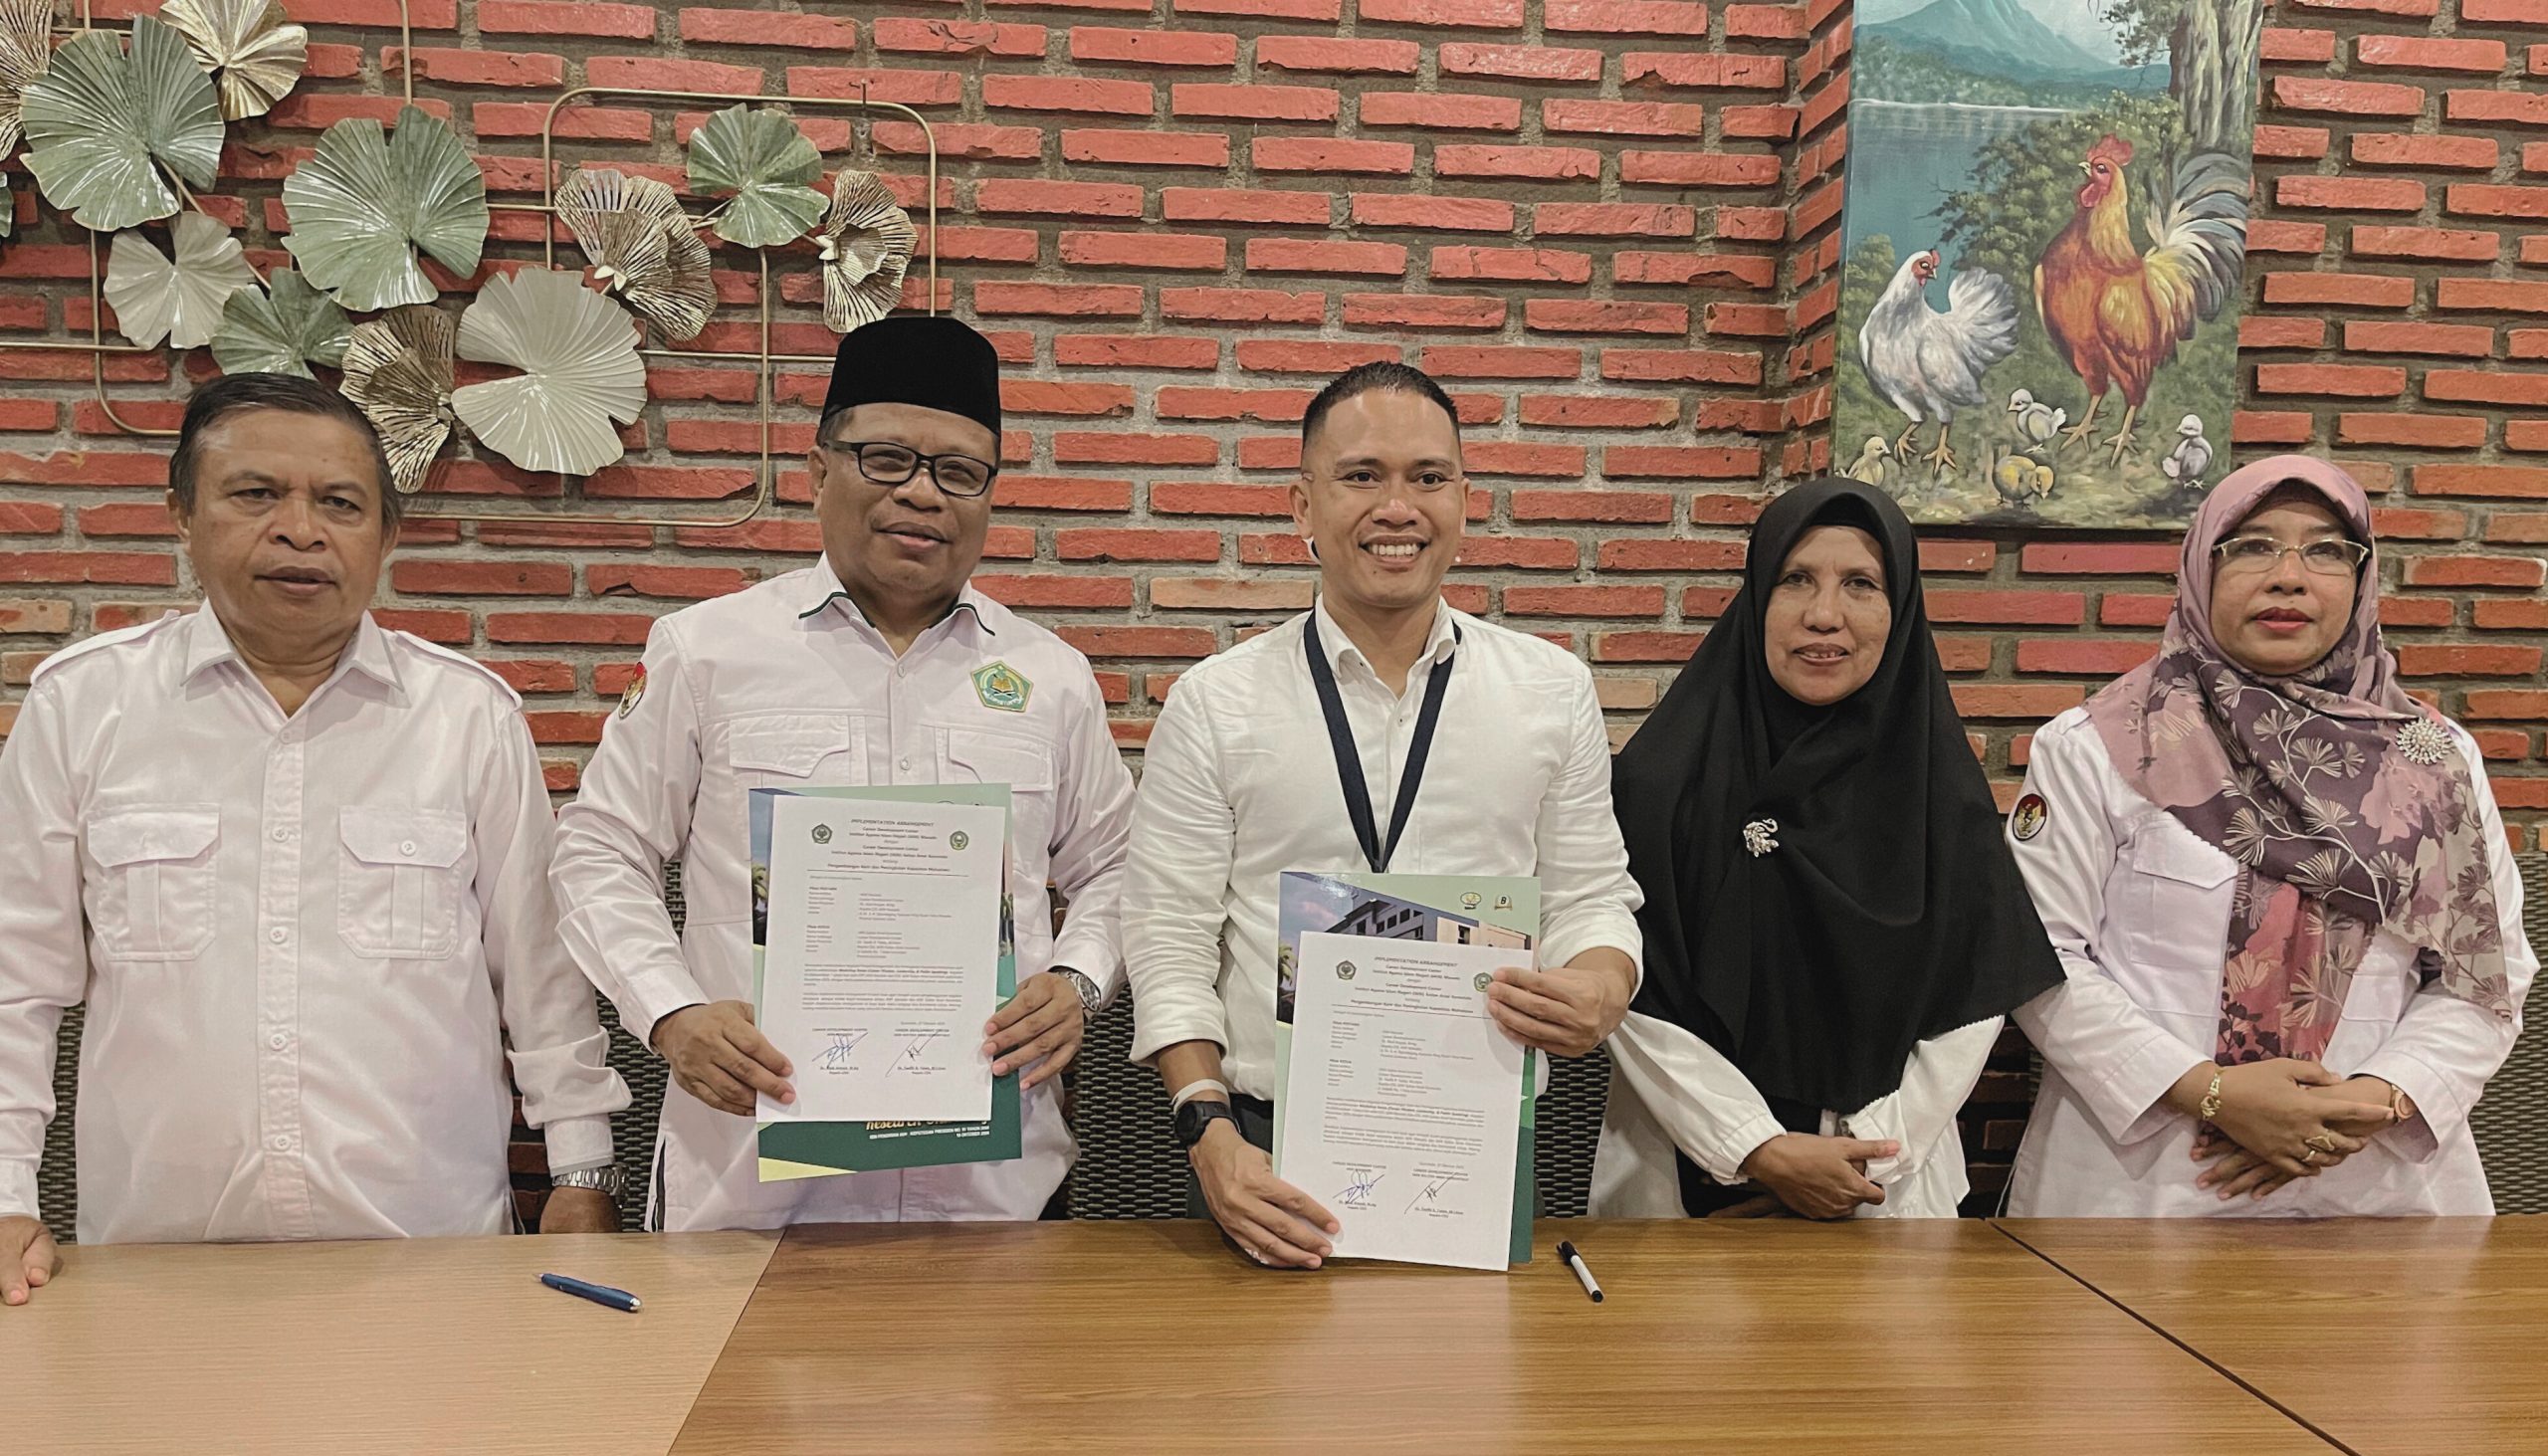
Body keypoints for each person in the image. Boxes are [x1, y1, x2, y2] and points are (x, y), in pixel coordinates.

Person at [0, 373, 630, 1305]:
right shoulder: (81, 707)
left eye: (340, 503)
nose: (300, 530)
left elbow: (542, 981)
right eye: (256, 493)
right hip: (155, 1268)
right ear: (182, 514)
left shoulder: (467, 719)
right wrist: (6, 1196)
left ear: (388, 536)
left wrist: (582, 1175)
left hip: (434, 1261)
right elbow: (15, 981)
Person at [551, 314, 1134, 1231]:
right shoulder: (707, 652)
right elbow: (598, 850)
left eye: (960, 472)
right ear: (818, 471)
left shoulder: (1052, 678)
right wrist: (670, 1013)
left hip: (992, 1198)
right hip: (745, 1193)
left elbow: (1122, 866)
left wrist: (1079, 981)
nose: (923, 494)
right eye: (887, 459)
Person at [1125, 362, 1644, 1268]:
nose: (1397, 508)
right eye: (1362, 476)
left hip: (1476, 1130)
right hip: (1259, 1149)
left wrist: (1603, 985)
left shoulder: (1549, 690)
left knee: (1481, 1363)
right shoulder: (1215, 704)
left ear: (1464, 503)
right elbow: (1168, 937)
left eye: (1428, 477)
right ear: (1303, 505)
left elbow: (1592, 897)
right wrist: (1207, 1131)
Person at [2007, 456, 2535, 1217]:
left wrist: (2375, 1099)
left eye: (2325, 550)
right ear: (2202, 567)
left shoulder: (2432, 760)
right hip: (2149, 1188)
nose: (2289, 577)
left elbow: (2486, 973)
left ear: (2362, 577)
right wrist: (2211, 1093)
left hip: (2372, 1189)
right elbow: (2040, 957)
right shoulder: (2100, 746)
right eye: (2253, 545)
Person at [1592, 479, 2063, 1220]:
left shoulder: (1937, 792)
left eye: (1861, 584)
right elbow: (1627, 987)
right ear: (1757, 596)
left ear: (1900, 607)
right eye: (1796, 579)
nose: (1824, 614)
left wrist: (1868, 1148)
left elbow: (1972, 993)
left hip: (1885, 1186)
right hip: (1679, 1180)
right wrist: (1755, 1148)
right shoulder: (1660, 782)